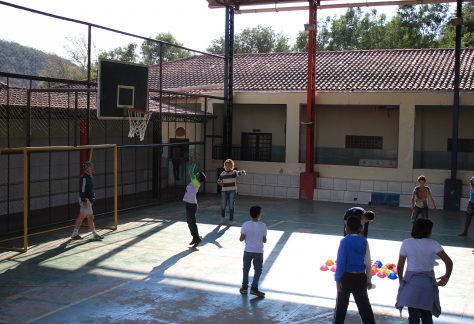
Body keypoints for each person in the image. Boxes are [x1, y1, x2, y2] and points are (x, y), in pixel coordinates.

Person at [396, 219, 453, 324]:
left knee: (413, 316)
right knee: (427, 315)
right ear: (428, 232)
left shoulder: (406, 243)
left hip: (411, 284)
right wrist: (446, 277)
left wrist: (401, 280)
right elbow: (449, 262)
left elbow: (400, 266)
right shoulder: (434, 244)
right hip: (428, 284)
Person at [333, 216, 375, 324]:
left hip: (346, 278)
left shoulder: (344, 241)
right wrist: (369, 279)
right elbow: (368, 262)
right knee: (364, 307)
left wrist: (338, 280)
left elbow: (341, 262)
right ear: (360, 228)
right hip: (360, 278)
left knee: (341, 307)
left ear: (347, 228)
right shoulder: (364, 241)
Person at [71, 161, 103, 241]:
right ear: (87, 168)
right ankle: (94, 234)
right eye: (91, 166)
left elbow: (90, 189)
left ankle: (74, 234)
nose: (93, 167)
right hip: (85, 200)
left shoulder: (90, 177)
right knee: (90, 217)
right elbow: (82, 190)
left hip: (88, 199)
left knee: (81, 216)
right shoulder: (84, 178)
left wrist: (93, 196)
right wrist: (84, 200)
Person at [239, 205, 267, 298]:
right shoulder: (263, 225)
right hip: (258, 251)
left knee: (246, 268)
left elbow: (241, 238)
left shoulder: (246, 224)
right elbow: (264, 240)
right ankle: (254, 288)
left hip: (248, 250)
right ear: (258, 214)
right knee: (258, 269)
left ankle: (244, 287)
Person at [183, 156, 206, 248]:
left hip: (191, 205)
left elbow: (190, 172)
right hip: (189, 204)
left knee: (192, 222)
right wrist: (190, 164)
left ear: (199, 178)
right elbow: (190, 173)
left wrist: (192, 164)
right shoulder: (194, 182)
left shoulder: (196, 183)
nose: (195, 174)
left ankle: (196, 238)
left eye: (197, 174)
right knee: (189, 222)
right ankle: (195, 238)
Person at [217, 159, 246, 225]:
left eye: (229, 166)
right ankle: (222, 218)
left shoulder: (234, 172)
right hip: (224, 191)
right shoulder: (222, 173)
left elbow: (239, 172)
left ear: (232, 166)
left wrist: (243, 171)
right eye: (226, 165)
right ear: (224, 166)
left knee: (231, 206)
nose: (227, 167)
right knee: (223, 205)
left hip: (232, 191)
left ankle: (231, 220)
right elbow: (218, 181)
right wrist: (220, 184)